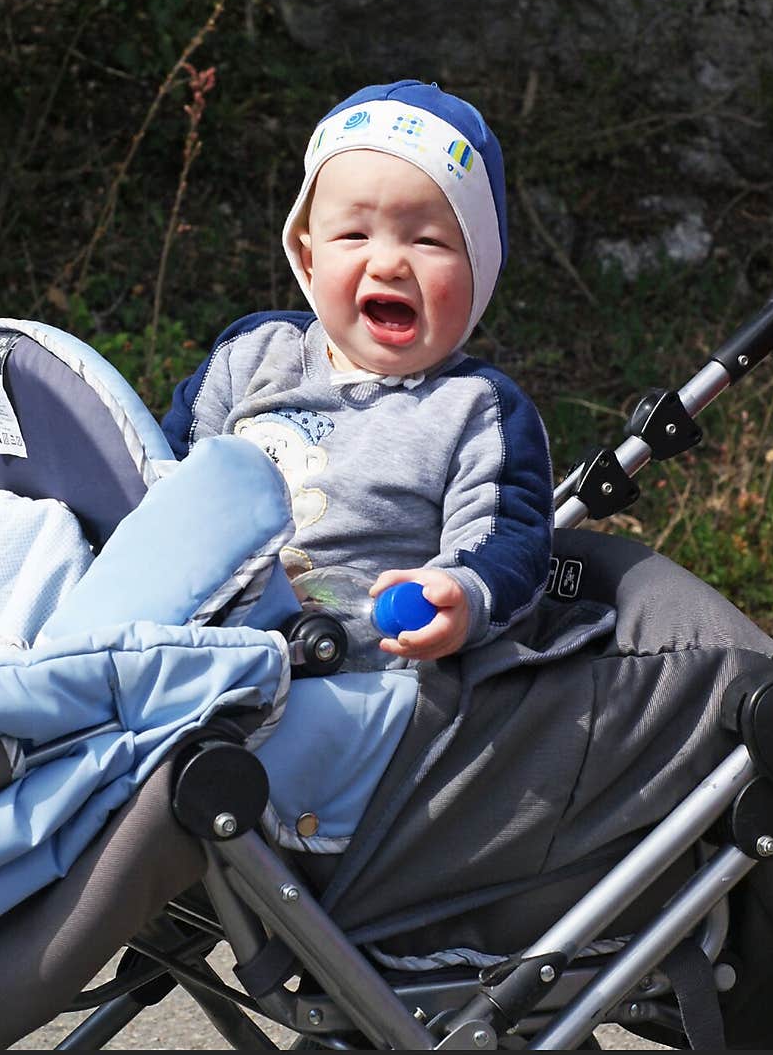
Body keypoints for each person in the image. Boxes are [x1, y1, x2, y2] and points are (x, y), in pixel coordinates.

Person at [162, 79, 553, 668]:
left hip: (348, 678)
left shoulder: (473, 409)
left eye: (427, 240)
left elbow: (510, 537)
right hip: (191, 628)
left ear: (480, 272)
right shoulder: (254, 354)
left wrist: (464, 596)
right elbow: (159, 472)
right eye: (354, 234)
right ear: (309, 252)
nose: (390, 262)